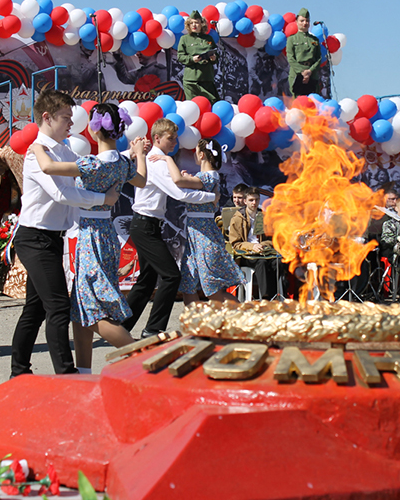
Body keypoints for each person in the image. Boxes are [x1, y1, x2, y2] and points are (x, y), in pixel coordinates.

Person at [30, 103, 147, 370]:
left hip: (90, 235)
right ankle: (83, 370)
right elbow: (140, 180)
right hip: (107, 235)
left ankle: (143, 355)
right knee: (81, 304)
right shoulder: (121, 163)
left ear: (95, 131)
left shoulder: (91, 164)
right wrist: (139, 153)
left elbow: (48, 168)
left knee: (91, 309)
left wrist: (37, 147)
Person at [11, 89, 119, 377]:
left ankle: (19, 369)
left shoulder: (65, 150)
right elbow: (61, 194)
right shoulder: (37, 153)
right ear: (46, 117)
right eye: (65, 118)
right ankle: (66, 373)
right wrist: (103, 200)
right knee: (58, 306)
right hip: (33, 237)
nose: (71, 124)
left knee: (35, 308)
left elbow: (83, 179)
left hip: (51, 237)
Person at [123, 118, 217, 338]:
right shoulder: (156, 161)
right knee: (171, 276)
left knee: (146, 281)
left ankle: (122, 326)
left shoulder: (160, 160)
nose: (175, 142)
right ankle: (153, 329)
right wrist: (211, 196)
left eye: (176, 137)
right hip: (144, 224)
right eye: (170, 138)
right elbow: (179, 193)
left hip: (149, 224)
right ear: (157, 138)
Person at [152, 138, 244, 305]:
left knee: (212, 290)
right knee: (188, 285)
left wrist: (168, 159)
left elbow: (178, 180)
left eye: (196, 152)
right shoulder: (208, 177)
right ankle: (197, 324)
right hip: (196, 235)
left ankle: (245, 319)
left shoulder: (207, 177)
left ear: (201, 155)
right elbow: (186, 183)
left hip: (204, 237)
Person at [229, 187, 279, 300]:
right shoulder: (237, 218)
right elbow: (236, 243)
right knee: (261, 263)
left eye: (256, 199)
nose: (254, 203)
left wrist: (264, 244)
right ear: (245, 201)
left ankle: (279, 295)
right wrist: (252, 246)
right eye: (251, 200)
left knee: (278, 262)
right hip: (247, 254)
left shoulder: (263, 216)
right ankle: (266, 298)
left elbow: (272, 238)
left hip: (264, 251)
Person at [177, 11, 219, 103]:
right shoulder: (184, 39)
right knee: (193, 105)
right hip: (191, 80)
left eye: (196, 22)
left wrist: (214, 58)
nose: (194, 25)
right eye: (191, 23)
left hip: (206, 78)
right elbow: (180, 57)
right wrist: (192, 59)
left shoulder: (208, 38)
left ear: (202, 24)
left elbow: (216, 54)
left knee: (212, 102)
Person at [285, 8, 322, 97]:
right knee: (298, 103)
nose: (305, 23)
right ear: (297, 22)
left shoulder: (314, 40)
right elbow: (290, 58)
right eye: (302, 21)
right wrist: (302, 72)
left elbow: (318, 58)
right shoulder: (292, 39)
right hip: (297, 75)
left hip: (312, 75)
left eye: (307, 21)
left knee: (312, 103)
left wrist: (310, 71)